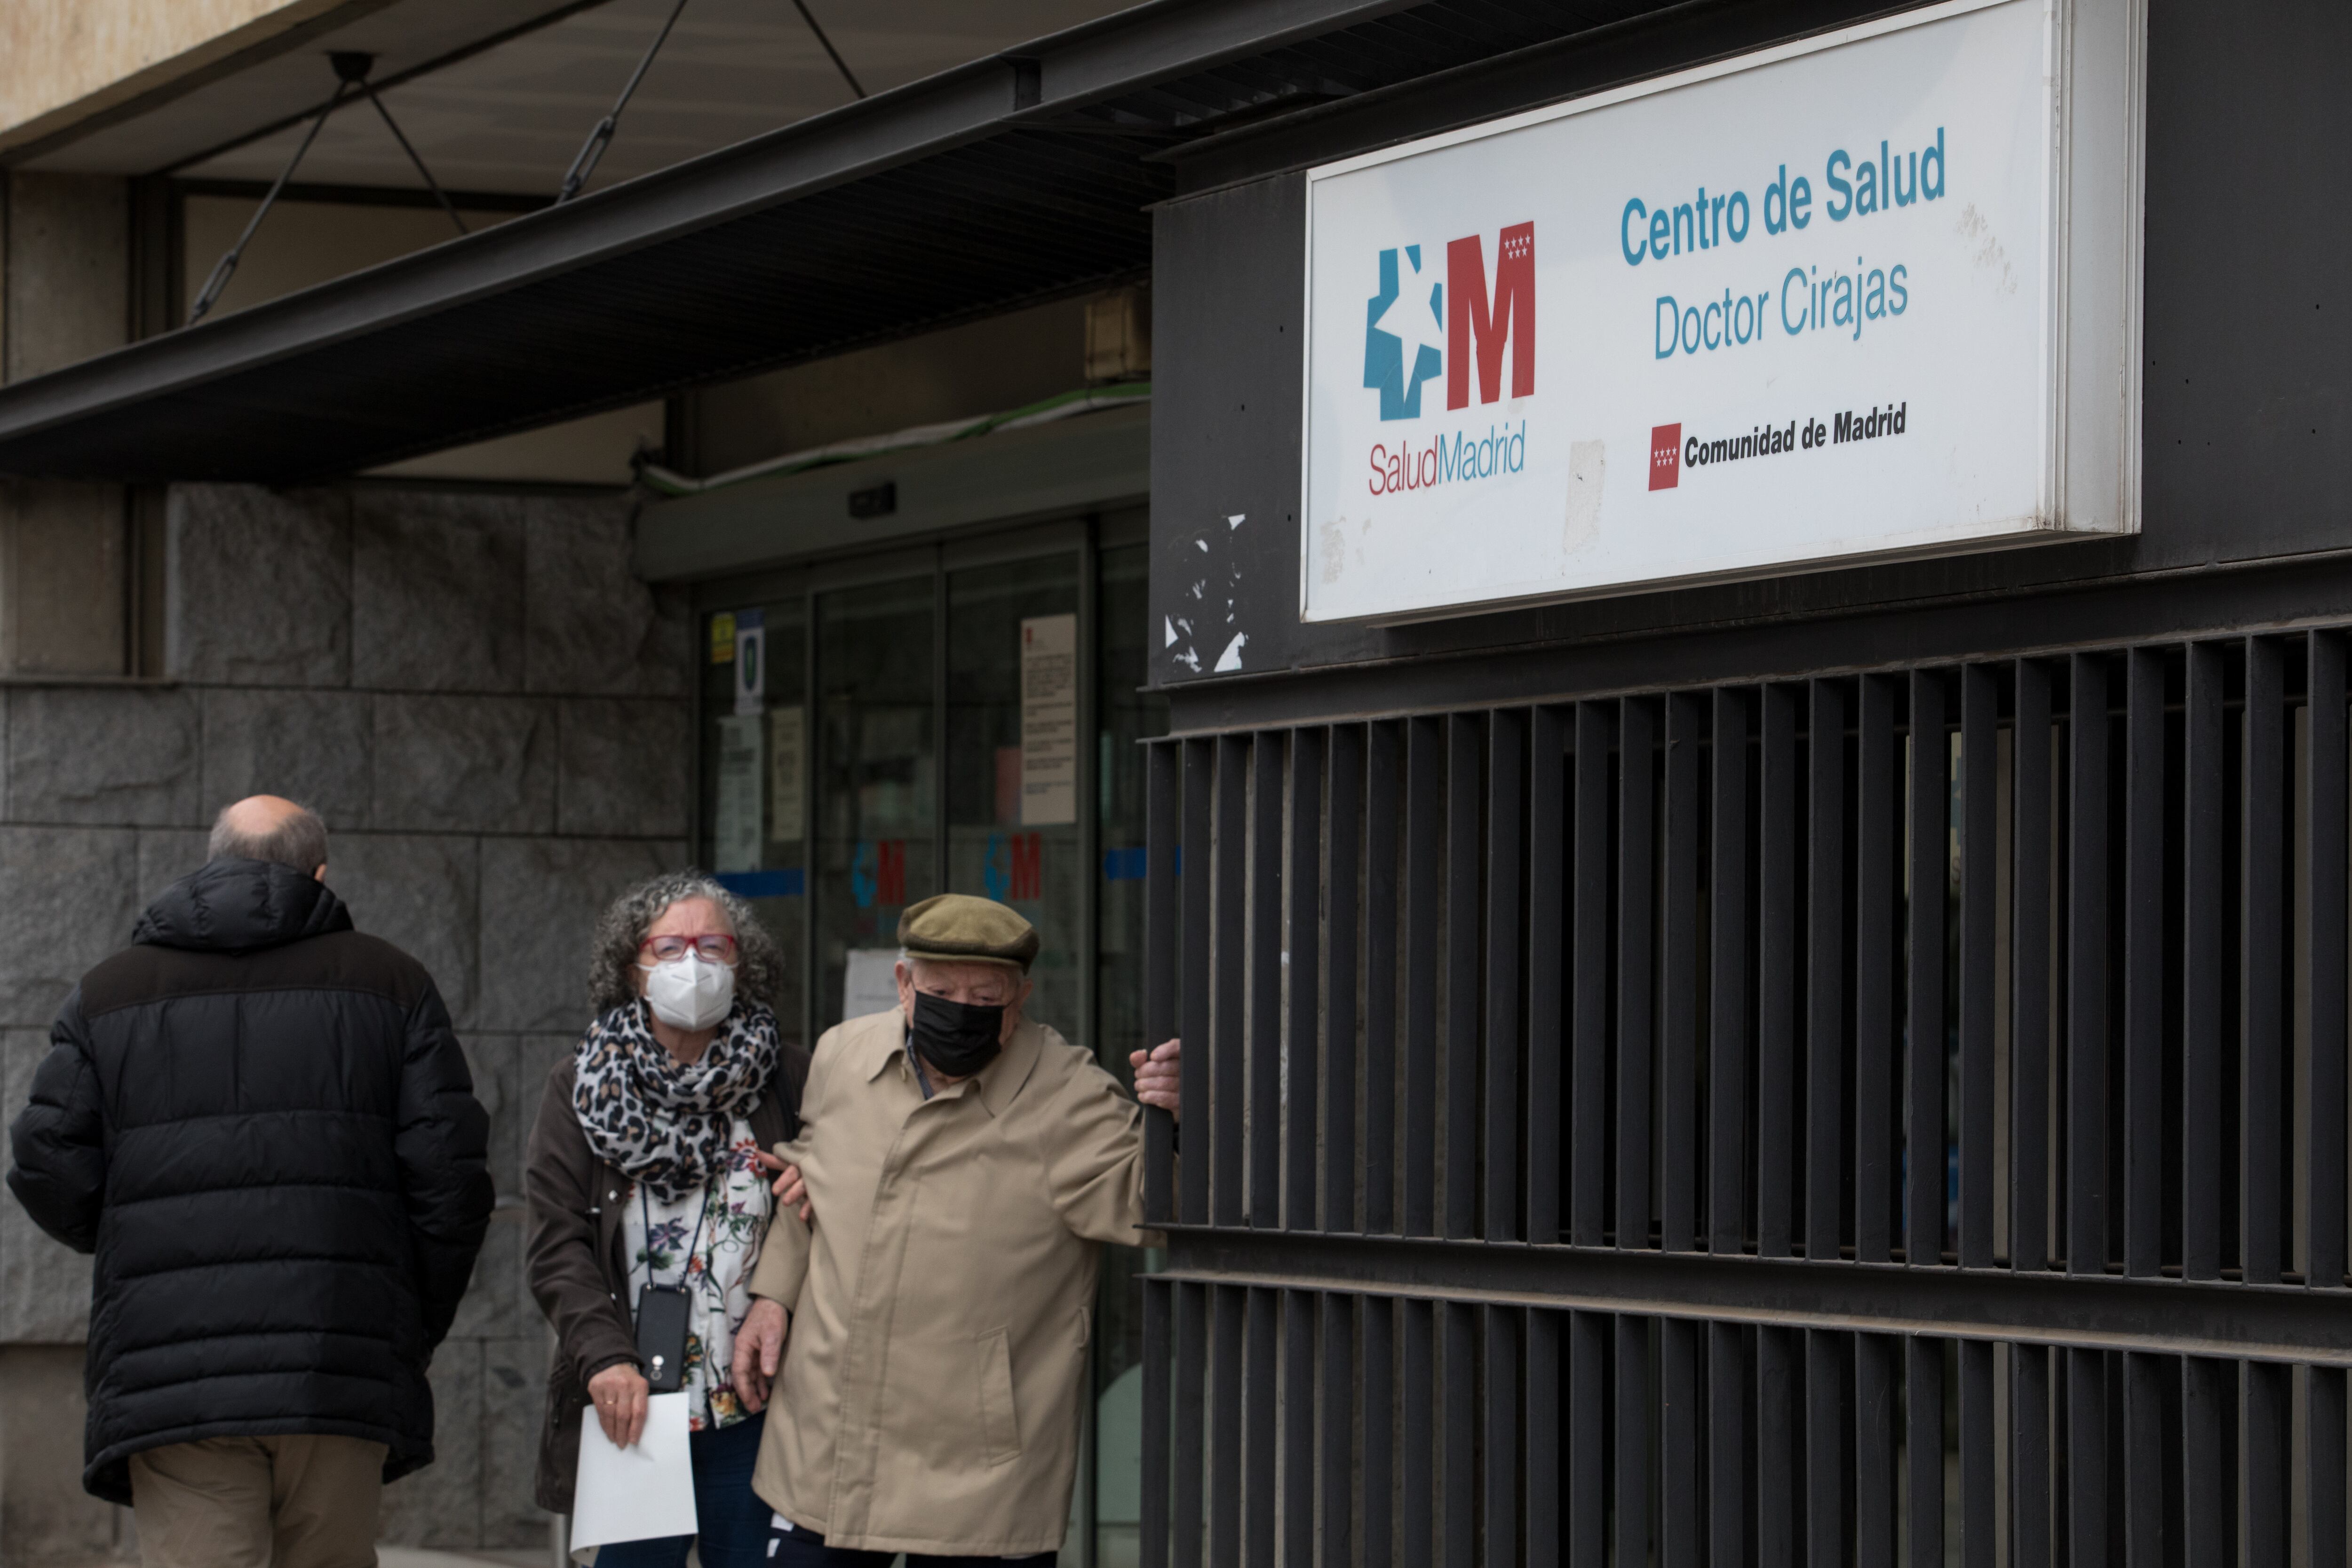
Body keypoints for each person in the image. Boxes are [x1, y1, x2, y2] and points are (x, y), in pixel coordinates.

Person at [5, 796, 492, 1568]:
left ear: (214, 861)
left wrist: (138, 1234)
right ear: (320, 873)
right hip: (339, 1352)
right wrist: (405, 1319)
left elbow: (45, 1161)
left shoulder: (110, 992)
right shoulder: (392, 985)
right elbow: (451, 1182)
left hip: (175, 1374)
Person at [728, 892, 1180, 1567]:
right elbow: (808, 1183)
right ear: (905, 985)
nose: (961, 1008)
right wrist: (772, 1296)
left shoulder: (1067, 1090)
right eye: (942, 989)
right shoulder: (842, 1056)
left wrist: (1177, 1124)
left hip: (979, 1467)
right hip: (831, 1438)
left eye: (984, 995)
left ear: (1020, 999)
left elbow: (1152, 1207)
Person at [524, 872, 811, 1568]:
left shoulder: (789, 1078)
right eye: (671, 945)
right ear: (633, 966)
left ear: (743, 964)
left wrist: (820, 1182)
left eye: (715, 945)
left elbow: (828, 1214)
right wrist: (604, 1355)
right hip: (634, 1409)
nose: (694, 963)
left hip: (756, 1405)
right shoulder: (582, 1083)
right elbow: (556, 1242)